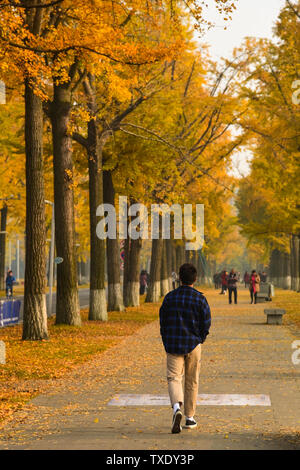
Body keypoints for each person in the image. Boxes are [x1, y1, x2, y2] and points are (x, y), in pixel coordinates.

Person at [159, 263, 211, 434]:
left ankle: (176, 408)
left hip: (173, 344)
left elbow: (163, 321)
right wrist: (200, 339)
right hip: (193, 345)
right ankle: (189, 417)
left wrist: (166, 339)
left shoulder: (169, 298)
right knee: (192, 380)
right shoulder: (200, 299)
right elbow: (206, 322)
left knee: (174, 378)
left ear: (179, 278)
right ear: (195, 279)